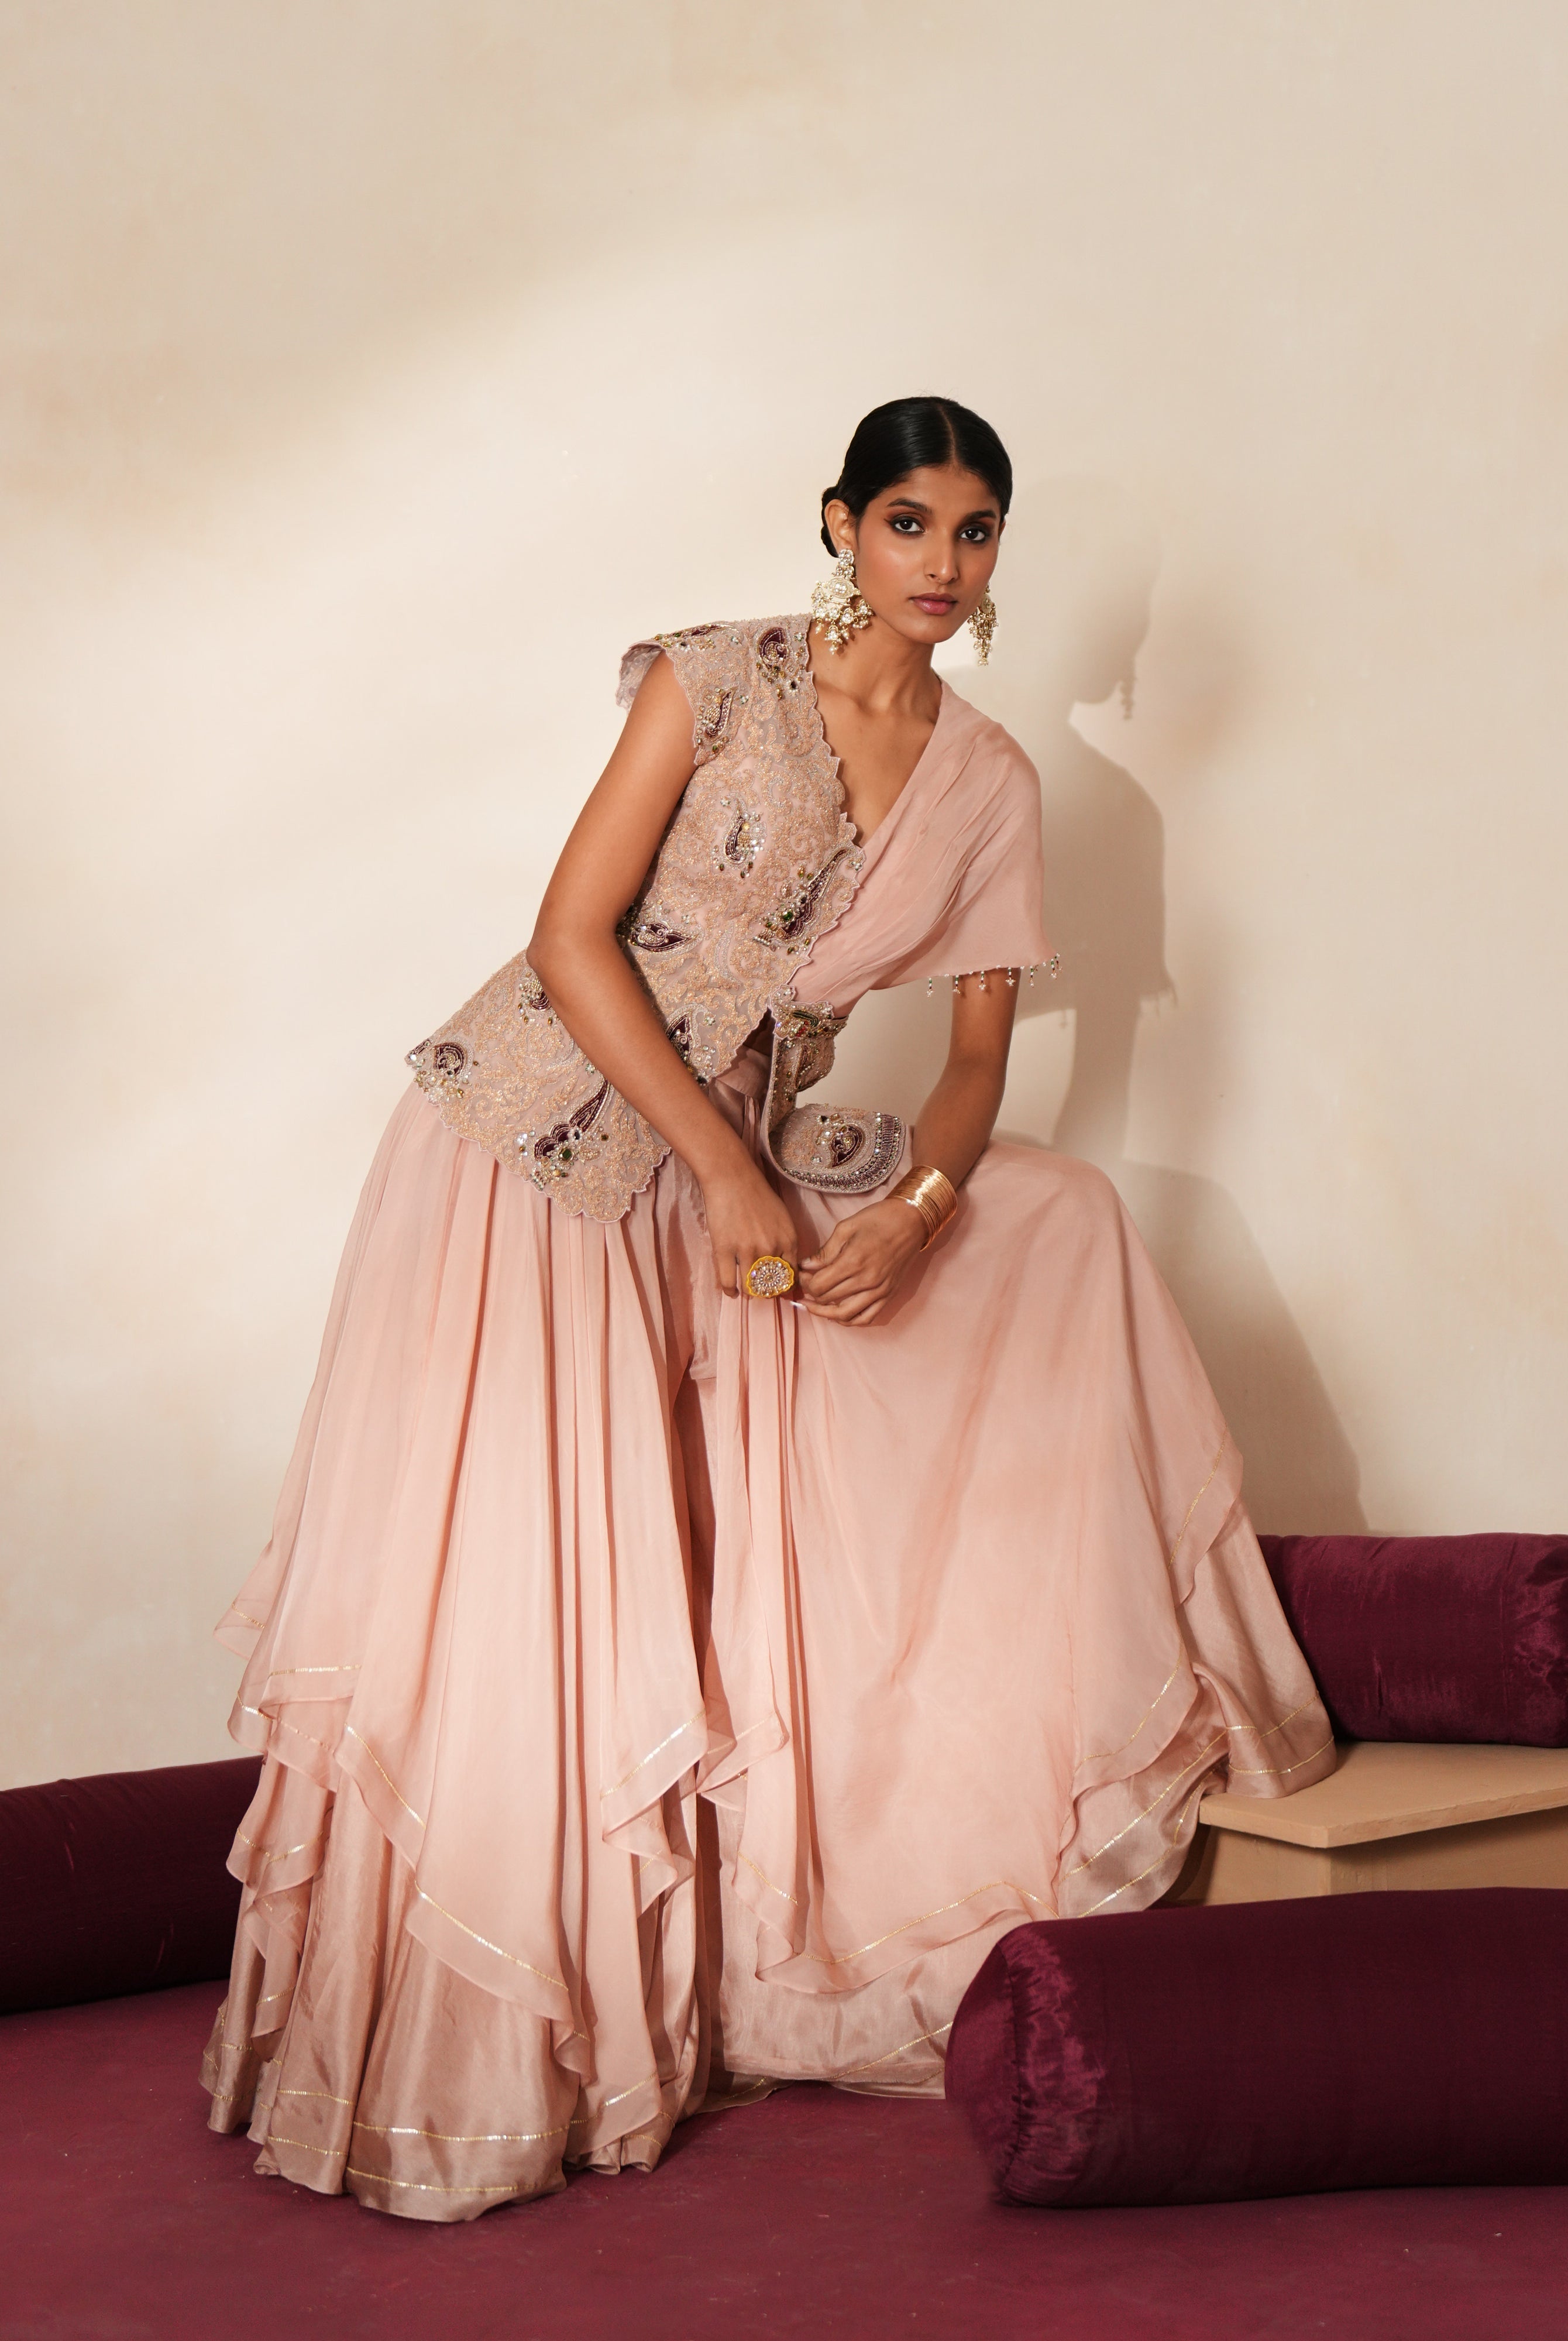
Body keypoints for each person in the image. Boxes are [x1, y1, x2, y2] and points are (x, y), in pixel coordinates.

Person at [202, 397, 1334, 2220]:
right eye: (908, 524)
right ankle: (462, 2062)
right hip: (540, 1144)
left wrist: (925, 1206)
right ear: (840, 525)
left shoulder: (992, 783)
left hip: (730, 1160)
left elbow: (974, 1068)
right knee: (529, 1583)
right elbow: (572, 936)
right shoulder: (714, 679)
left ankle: (636, 2007)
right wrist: (725, 1174)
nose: (942, 568)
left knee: (1058, 1223)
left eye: (974, 536)